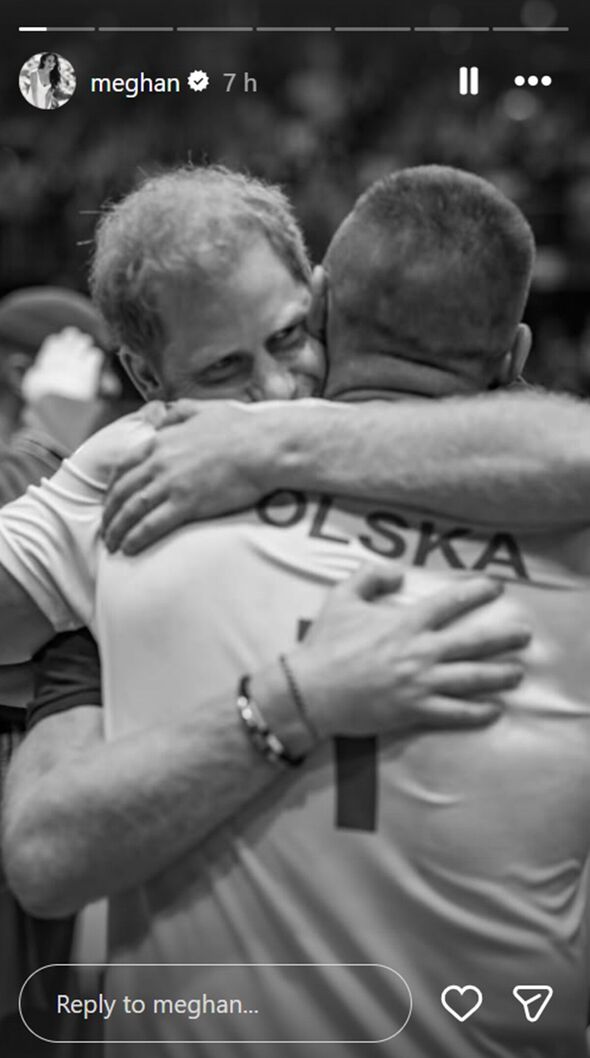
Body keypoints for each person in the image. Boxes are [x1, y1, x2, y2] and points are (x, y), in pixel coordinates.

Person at [0, 165, 589, 1057]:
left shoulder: (212, 451)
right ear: (146, 379)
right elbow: (44, 858)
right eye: (225, 369)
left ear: (318, 301)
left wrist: (271, 440)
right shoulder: (144, 474)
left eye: (285, 340)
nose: (274, 390)